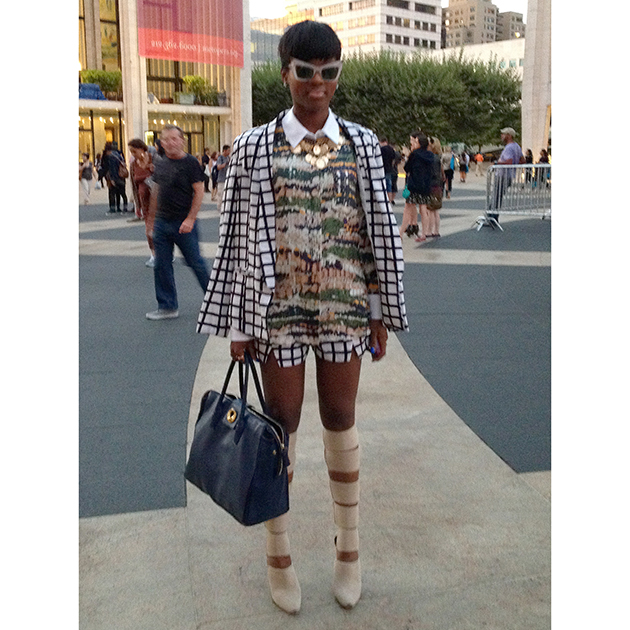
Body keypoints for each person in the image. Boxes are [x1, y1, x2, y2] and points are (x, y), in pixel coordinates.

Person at [197, 20, 408, 614]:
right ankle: (279, 554)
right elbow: (236, 238)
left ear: (338, 75)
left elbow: (376, 233)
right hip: (277, 311)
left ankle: (349, 550)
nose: (318, 84)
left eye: (329, 72)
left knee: (340, 417)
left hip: (344, 306)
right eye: (306, 72)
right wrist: (240, 326)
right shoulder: (253, 147)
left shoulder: (361, 143)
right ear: (285, 73)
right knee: (280, 425)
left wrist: (377, 311)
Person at [145, 125, 210, 320]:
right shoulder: (161, 162)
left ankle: (216, 300)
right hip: (162, 222)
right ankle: (167, 306)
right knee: (161, 265)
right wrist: (150, 220)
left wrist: (191, 218)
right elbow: (156, 191)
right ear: (161, 143)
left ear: (182, 141)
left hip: (183, 223)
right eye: (167, 139)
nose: (171, 142)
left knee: (195, 262)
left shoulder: (190, 163)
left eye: (175, 138)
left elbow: (199, 191)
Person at [403, 131, 441, 242]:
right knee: (430, 210)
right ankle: (430, 231)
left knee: (418, 208)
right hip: (430, 185)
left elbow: (407, 168)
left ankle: (423, 230)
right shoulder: (433, 157)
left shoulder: (416, 155)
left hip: (418, 185)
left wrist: (409, 154)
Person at [487, 126, 524, 224]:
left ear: (509, 135)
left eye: (503, 134)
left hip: (502, 175)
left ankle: (492, 216)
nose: (501, 136)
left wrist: (497, 163)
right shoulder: (517, 146)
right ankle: (492, 216)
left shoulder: (509, 148)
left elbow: (509, 161)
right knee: (499, 196)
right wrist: (515, 164)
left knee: (496, 196)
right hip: (510, 175)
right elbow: (522, 160)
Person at [100, 141, 129, 214]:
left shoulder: (110, 157)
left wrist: (112, 179)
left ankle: (113, 208)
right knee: (122, 193)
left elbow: (112, 169)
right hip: (121, 176)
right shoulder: (119, 154)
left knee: (112, 192)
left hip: (115, 177)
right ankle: (123, 207)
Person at [379, 136, 397, 205]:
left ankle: (383, 199)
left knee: (382, 185)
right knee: (389, 185)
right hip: (389, 169)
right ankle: (389, 200)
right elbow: (393, 160)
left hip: (382, 169)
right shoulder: (391, 149)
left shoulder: (381, 149)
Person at [214, 144, 230, 210]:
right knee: (220, 194)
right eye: (228, 150)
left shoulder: (228, 157)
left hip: (227, 178)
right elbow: (218, 167)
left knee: (226, 194)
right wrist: (225, 164)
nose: (229, 152)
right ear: (224, 150)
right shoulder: (220, 158)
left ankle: (225, 206)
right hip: (221, 179)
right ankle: (219, 206)